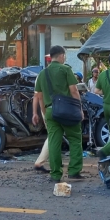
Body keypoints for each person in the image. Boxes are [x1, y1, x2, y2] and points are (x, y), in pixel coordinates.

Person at [32, 45, 86, 182]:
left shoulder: (42, 74)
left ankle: (55, 174)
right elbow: (74, 90)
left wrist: (45, 112)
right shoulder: (65, 69)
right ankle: (74, 171)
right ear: (61, 56)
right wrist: (79, 109)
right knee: (74, 139)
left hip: (50, 111)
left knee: (54, 143)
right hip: (67, 111)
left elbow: (39, 96)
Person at [32, 91, 50, 173]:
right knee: (54, 136)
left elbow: (36, 96)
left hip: (46, 109)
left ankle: (56, 162)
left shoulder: (39, 78)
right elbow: (38, 96)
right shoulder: (42, 77)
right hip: (51, 108)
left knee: (54, 135)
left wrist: (35, 113)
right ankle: (39, 162)